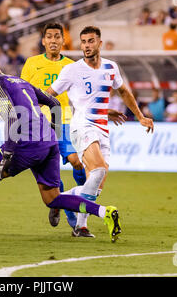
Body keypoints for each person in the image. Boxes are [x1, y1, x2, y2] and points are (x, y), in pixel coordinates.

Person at [0, 52, 122, 242]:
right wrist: (54, 135)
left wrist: (7, 154)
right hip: (48, 142)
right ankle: (104, 211)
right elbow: (54, 103)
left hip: (25, 143)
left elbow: (12, 117)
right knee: (52, 199)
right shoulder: (18, 81)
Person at [46, 26, 154, 238]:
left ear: (100, 43)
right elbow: (49, 94)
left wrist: (140, 116)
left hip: (103, 129)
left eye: (91, 41)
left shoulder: (110, 67)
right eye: (83, 42)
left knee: (95, 185)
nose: (86, 46)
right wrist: (44, 117)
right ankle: (84, 223)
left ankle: (63, 202)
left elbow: (123, 91)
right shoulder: (72, 70)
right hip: (81, 126)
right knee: (98, 170)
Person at [20, 22, 127, 236]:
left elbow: (85, 100)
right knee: (52, 175)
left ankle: (76, 207)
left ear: (63, 41)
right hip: (41, 124)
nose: (53, 40)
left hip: (67, 121)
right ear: (43, 41)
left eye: (57, 37)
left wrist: (105, 113)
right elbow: (23, 94)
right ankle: (65, 206)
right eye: (49, 37)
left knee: (79, 163)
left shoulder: (73, 65)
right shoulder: (32, 64)